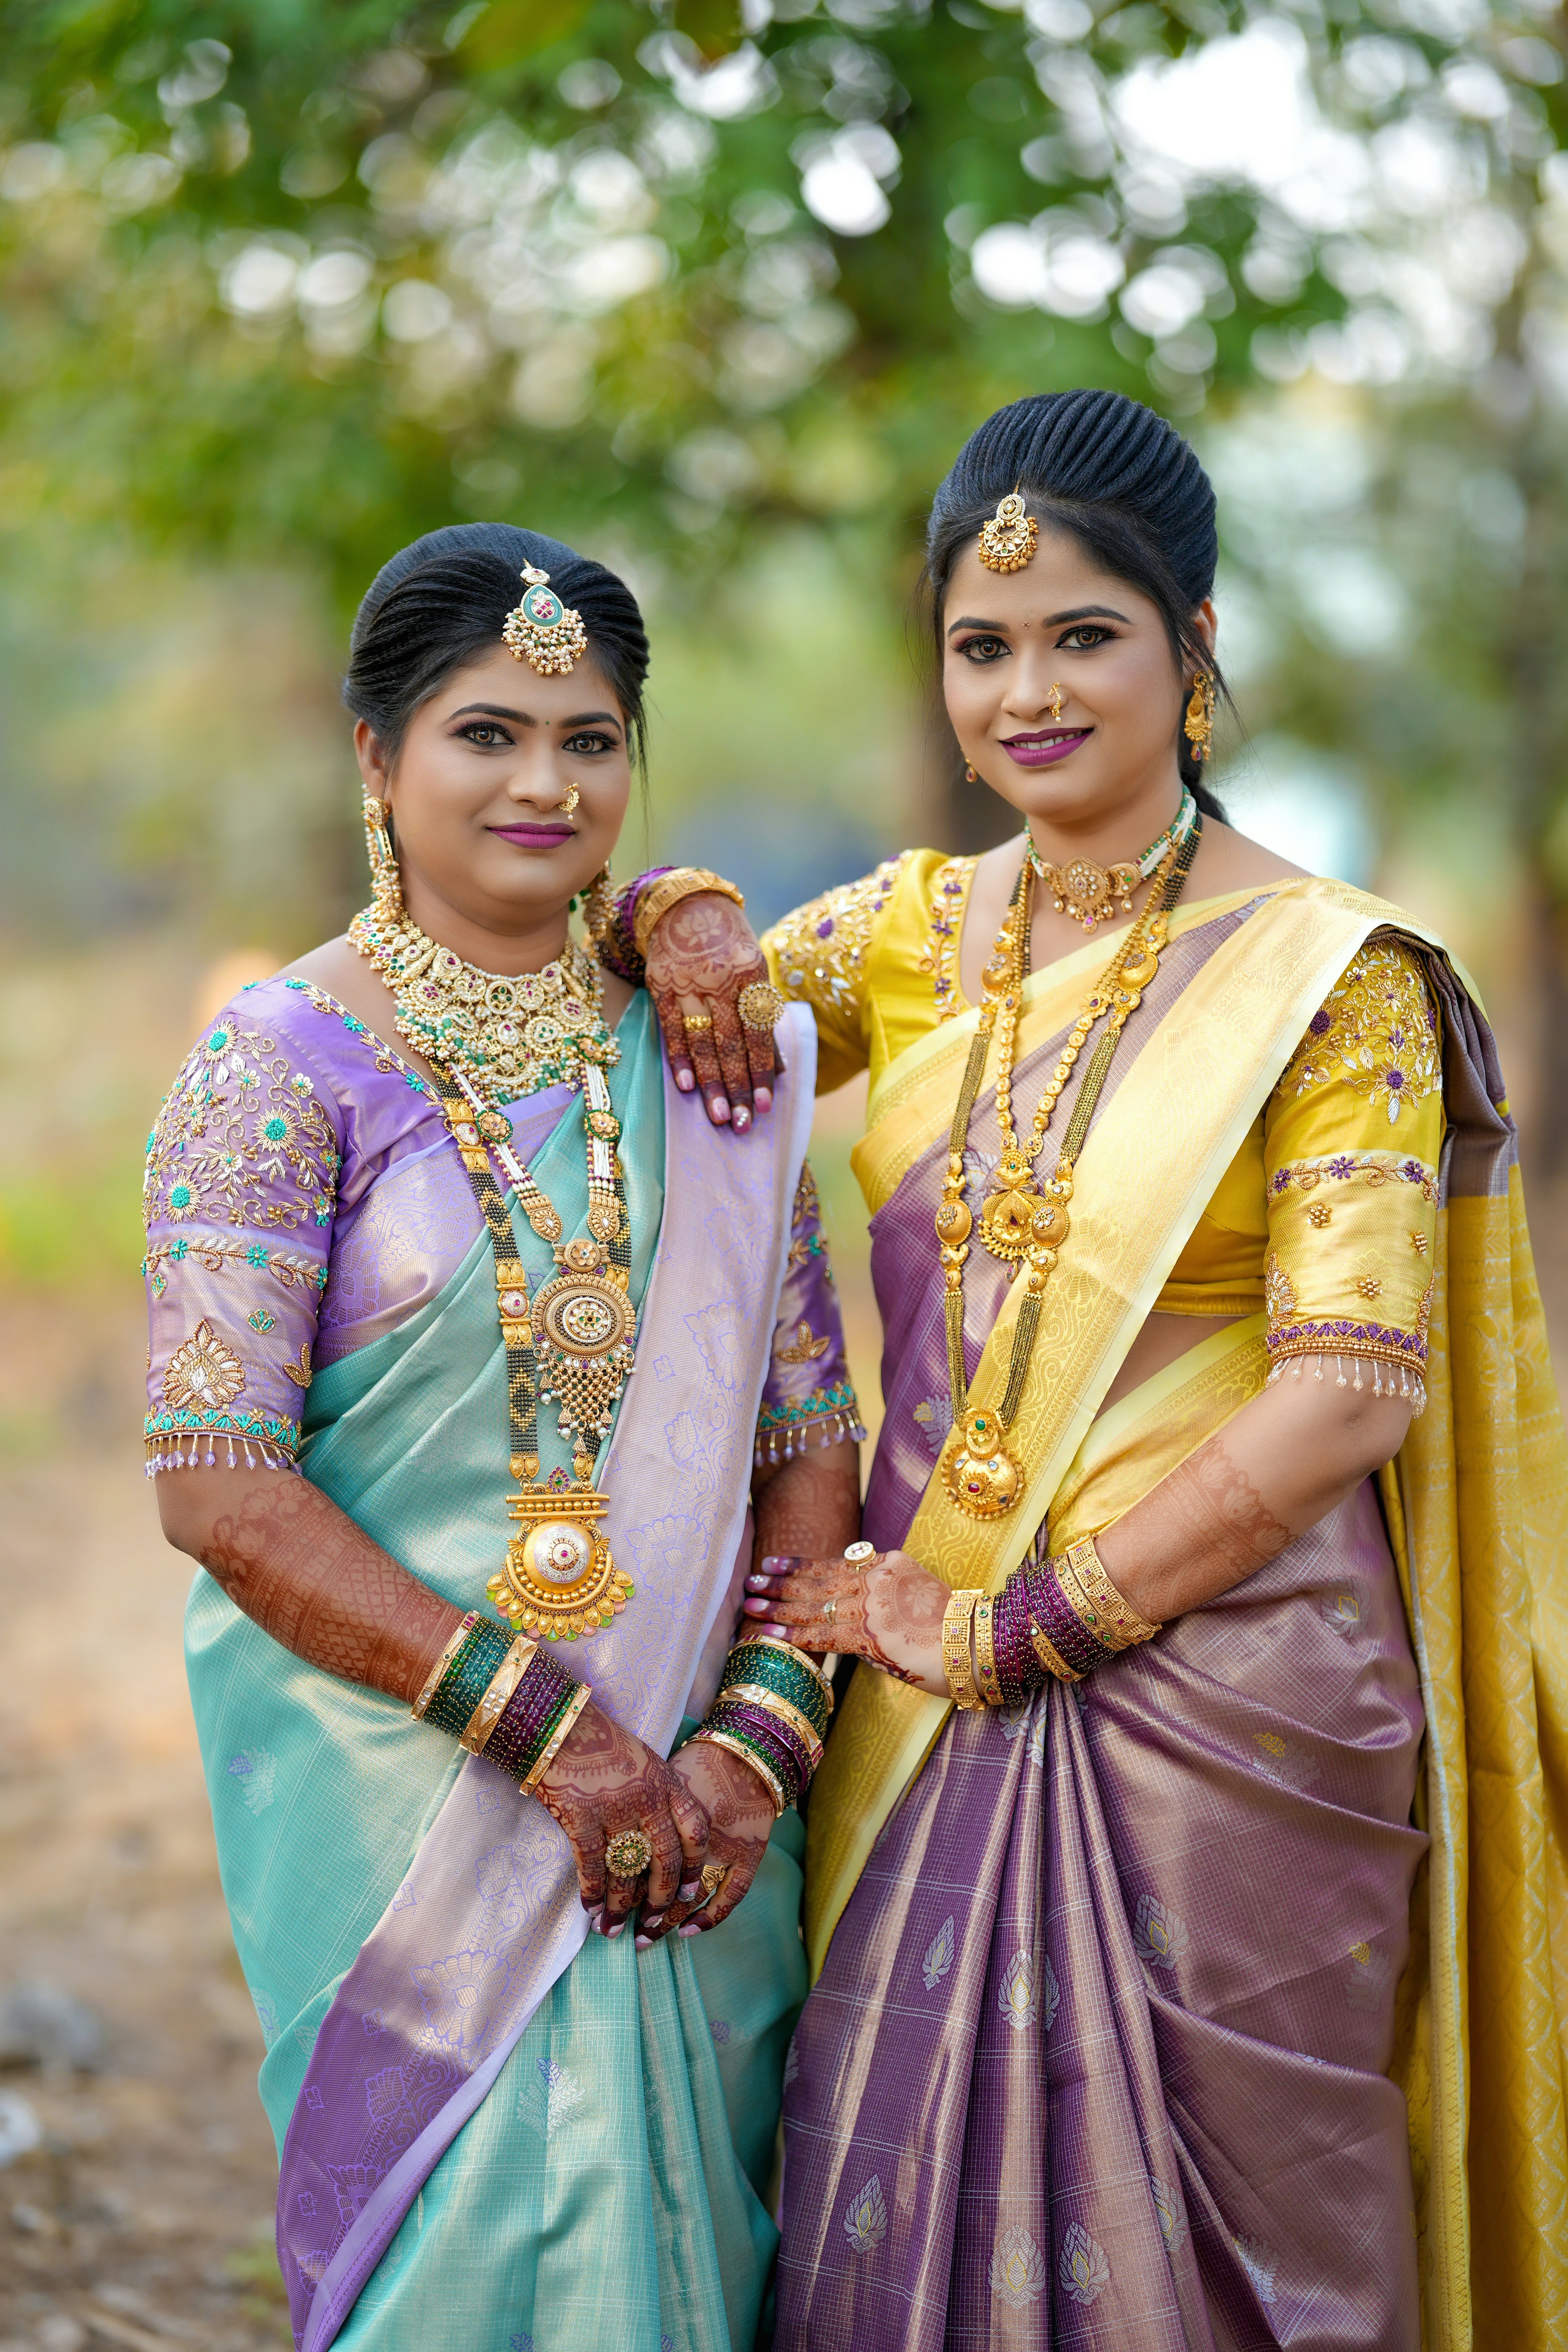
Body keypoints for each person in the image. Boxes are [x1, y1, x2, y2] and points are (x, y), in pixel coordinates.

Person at [614, 393, 1568, 2348]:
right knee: (903, 2215)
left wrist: (1020, 1627)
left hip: (1234, 1714)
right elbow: (650, 1042)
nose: (1026, 691)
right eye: (982, 645)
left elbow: (1351, 1388)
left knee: (1234, 2264)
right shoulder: (906, 935)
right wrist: (676, 905)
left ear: (1194, 645)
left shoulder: (1335, 976)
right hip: (918, 1684)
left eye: (1083, 636)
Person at [142, 522, 864, 2352]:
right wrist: (547, 1731)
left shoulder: (709, 1059)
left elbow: (808, 1433)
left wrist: (749, 1753)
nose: (547, 782)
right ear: (376, 757)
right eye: (488, 733)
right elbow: (219, 1488)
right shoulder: (277, 1061)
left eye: (593, 738)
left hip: (696, 1811)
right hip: (411, 1799)